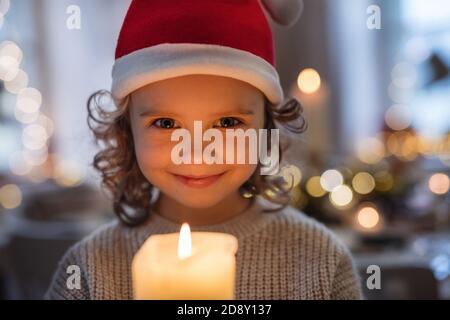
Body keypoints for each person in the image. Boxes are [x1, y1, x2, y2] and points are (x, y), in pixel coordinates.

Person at [45, 0, 362, 300]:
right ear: (127, 131)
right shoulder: (88, 270)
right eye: (167, 124)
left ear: (266, 127)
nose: (197, 153)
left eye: (227, 122)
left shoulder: (322, 259)